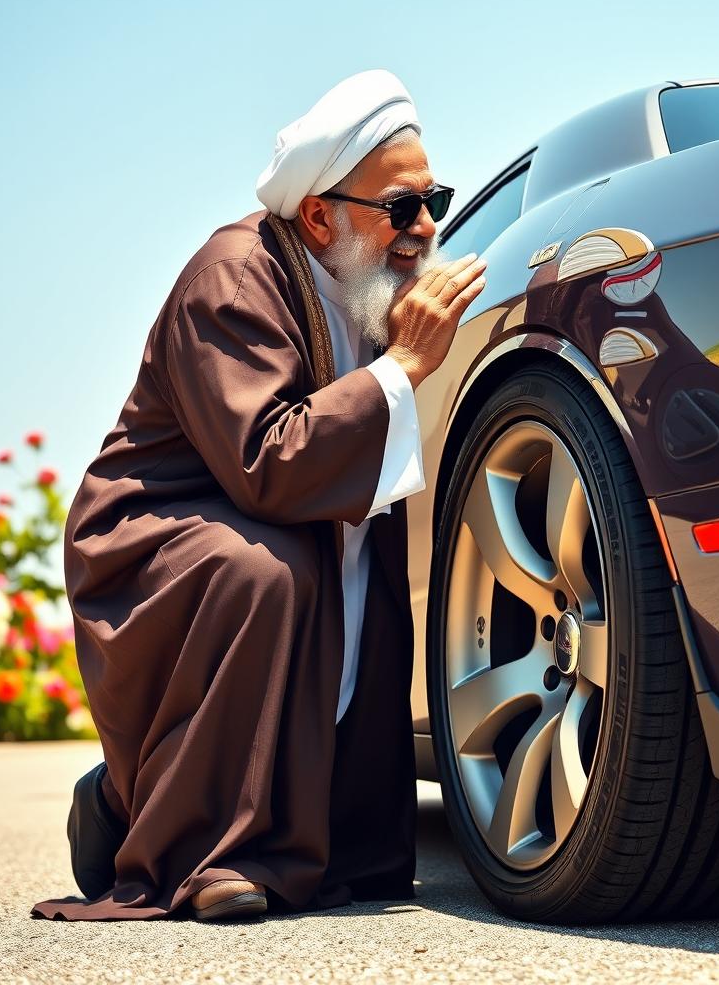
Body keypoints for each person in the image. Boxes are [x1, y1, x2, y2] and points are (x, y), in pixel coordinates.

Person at [31, 69, 487, 921]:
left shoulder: (359, 285)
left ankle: (224, 821)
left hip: (275, 522)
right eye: (400, 207)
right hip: (155, 536)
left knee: (363, 580)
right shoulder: (234, 276)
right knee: (268, 572)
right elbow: (268, 461)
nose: (425, 228)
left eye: (434, 200)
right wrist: (405, 366)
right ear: (319, 215)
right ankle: (198, 851)